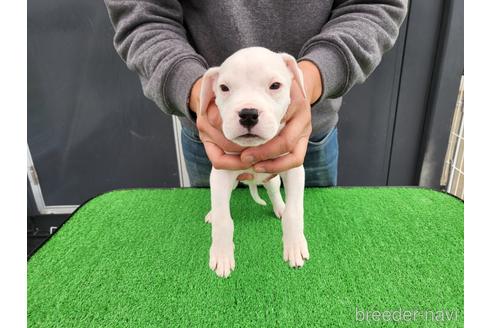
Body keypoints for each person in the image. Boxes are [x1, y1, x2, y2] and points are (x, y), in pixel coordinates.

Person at [104, 0, 407, 187]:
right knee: (216, 241)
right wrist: (197, 93)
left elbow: (375, 4)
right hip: (209, 128)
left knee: (313, 241)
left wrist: (311, 80)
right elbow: (144, 16)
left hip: (308, 129)